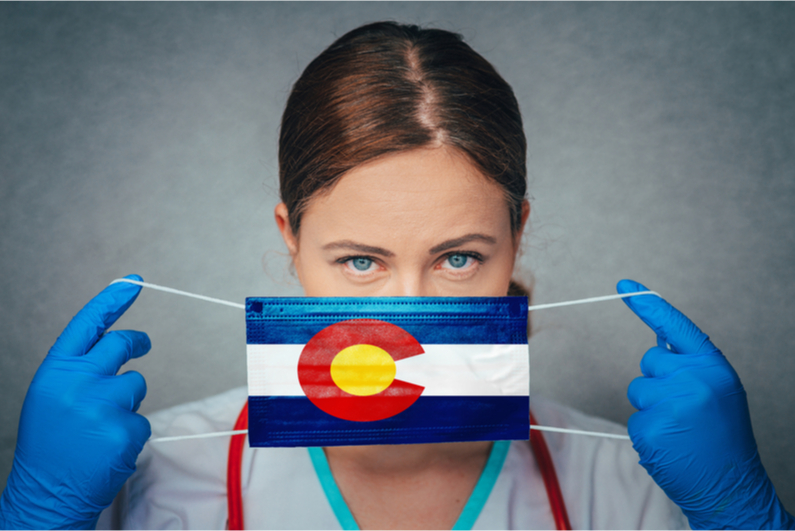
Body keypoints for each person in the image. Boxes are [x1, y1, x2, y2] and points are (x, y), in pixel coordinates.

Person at [0, 21, 792, 530]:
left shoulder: (634, 483)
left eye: (458, 258)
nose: (406, 314)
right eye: (359, 261)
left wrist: (741, 518)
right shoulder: (149, 476)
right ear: (291, 239)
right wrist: (38, 522)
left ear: (514, 238)